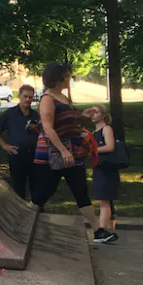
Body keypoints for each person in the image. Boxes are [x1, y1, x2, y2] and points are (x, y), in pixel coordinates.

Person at [31, 63, 114, 244]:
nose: (70, 79)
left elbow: (68, 120)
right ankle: (23, 222)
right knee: (44, 192)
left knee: (80, 189)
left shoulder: (63, 97)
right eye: (67, 76)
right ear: (58, 78)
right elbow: (48, 128)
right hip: (53, 154)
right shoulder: (47, 98)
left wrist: (82, 115)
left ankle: (98, 231)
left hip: (72, 152)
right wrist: (63, 151)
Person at [0, 85, 40, 200]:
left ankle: (37, 211)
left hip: (35, 155)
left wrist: (36, 130)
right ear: (19, 96)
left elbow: (44, 134)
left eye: (30, 97)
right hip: (17, 155)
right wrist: (4, 145)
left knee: (37, 188)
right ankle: (20, 214)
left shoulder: (36, 115)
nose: (27, 100)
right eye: (25, 96)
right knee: (18, 188)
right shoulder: (10, 114)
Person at [85, 104, 120, 243]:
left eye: (96, 112)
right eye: (91, 112)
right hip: (98, 168)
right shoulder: (94, 133)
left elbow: (110, 146)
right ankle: (110, 230)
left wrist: (92, 150)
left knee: (103, 200)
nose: (93, 114)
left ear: (103, 115)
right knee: (106, 200)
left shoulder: (106, 129)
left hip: (107, 169)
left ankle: (103, 230)